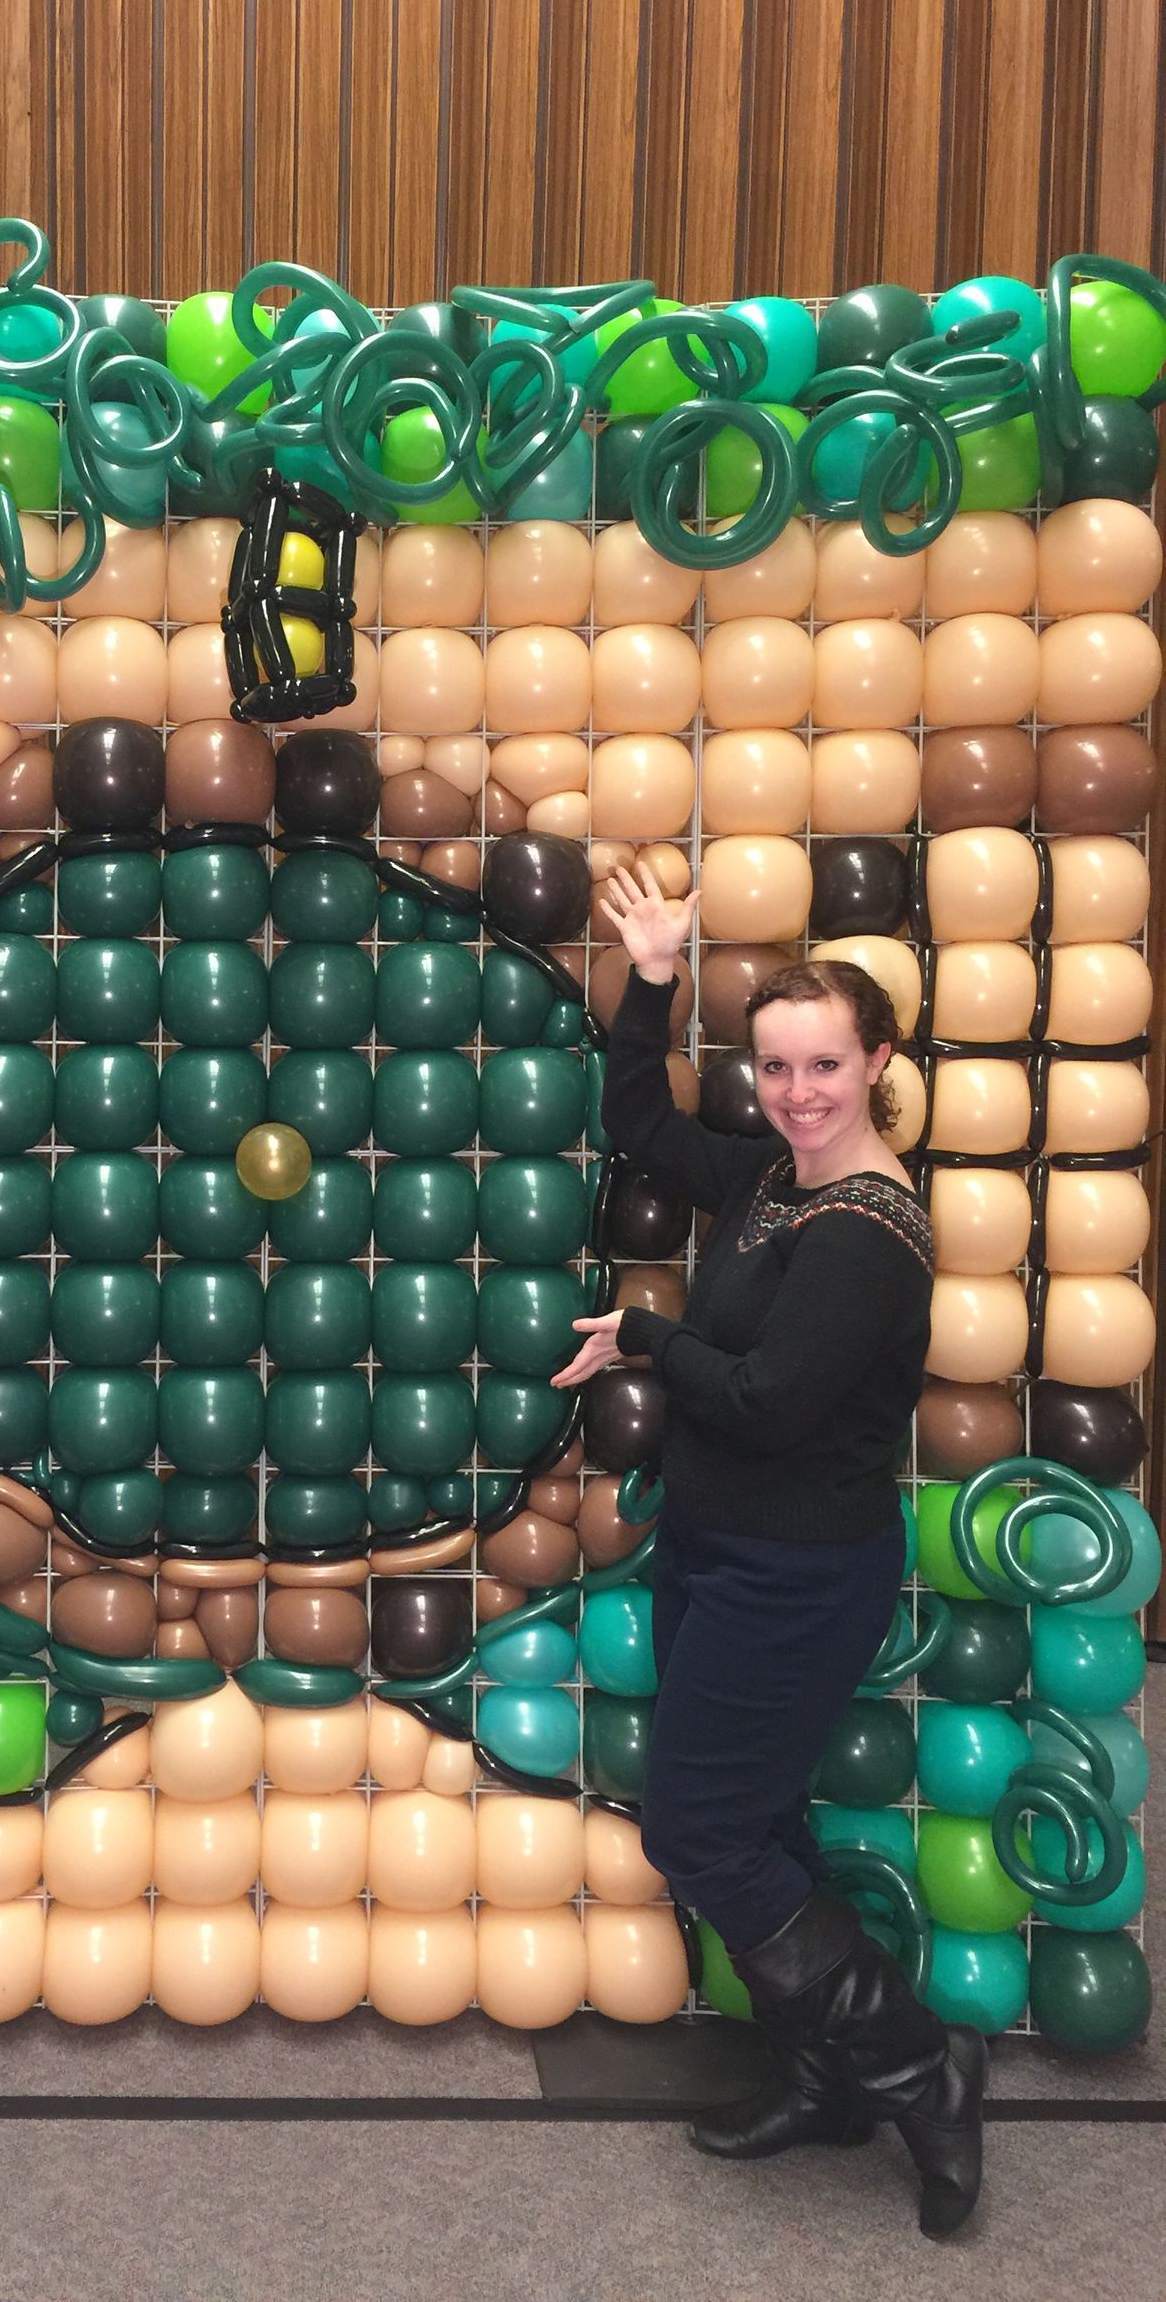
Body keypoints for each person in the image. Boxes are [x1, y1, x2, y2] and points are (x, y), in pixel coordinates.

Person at [552, 865, 984, 2241]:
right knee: (766, 1824)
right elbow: (636, 1124)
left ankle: (922, 2064)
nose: (800, 1091)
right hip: (718, 1548)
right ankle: (827, 2079)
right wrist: (657, 975)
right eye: (779, 1066)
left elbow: (768, 1401)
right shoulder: (771, 1179)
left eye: (826, 1067)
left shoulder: (868, 1231)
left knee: (698, 1831)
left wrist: (648, 1334)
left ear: (878, 1065)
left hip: (796, 1575)